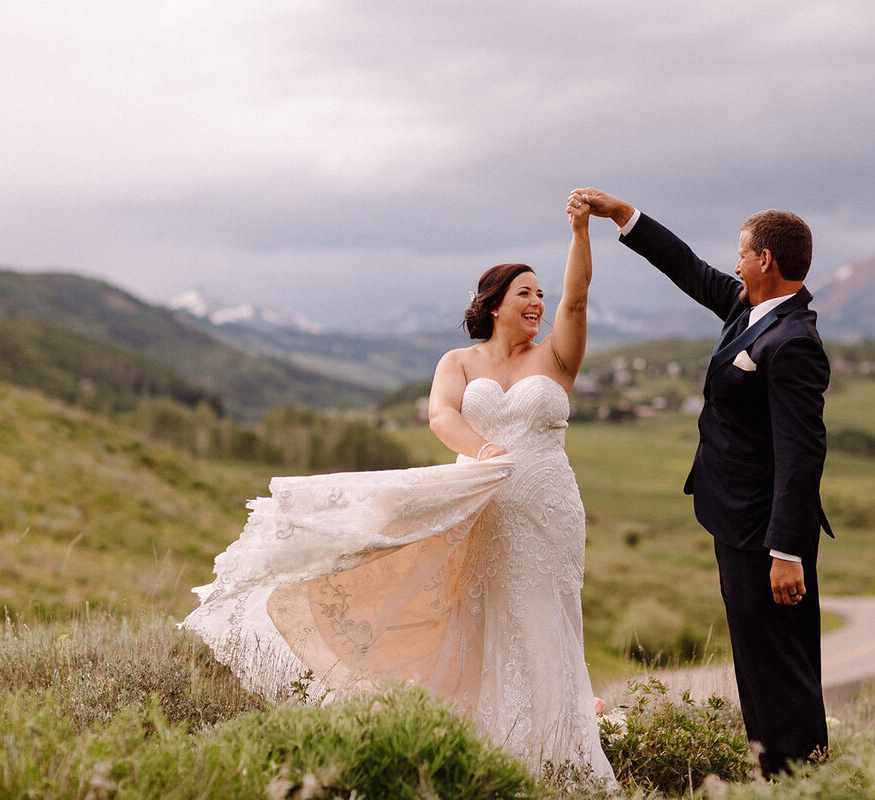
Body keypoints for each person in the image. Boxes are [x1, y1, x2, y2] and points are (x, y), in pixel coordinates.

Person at [181, 192, 614, 780]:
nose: (538, 302)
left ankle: (560, 759)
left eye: (541, 294)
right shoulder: (459, 363)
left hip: (548, 507)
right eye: (525, 293)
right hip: (482, 504)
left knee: (545, 620)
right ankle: (494, 753)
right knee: (482, 621)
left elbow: (580, 298)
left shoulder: (558, 359)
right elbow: (442, 418)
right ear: (493, 305)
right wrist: (483, 451)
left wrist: (582, 232)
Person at [579, 188, 834, 776]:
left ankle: (808, 785)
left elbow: (803, 454)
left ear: (764, 259)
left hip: (765, 534)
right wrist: (624, 217)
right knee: (757, 664)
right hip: (735, 519)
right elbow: (689, 268)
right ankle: (777, 778)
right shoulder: (748, 309)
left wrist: (787, 551)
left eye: (741, 253)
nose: (734, 264)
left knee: (782, 670)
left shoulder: (793, 341)